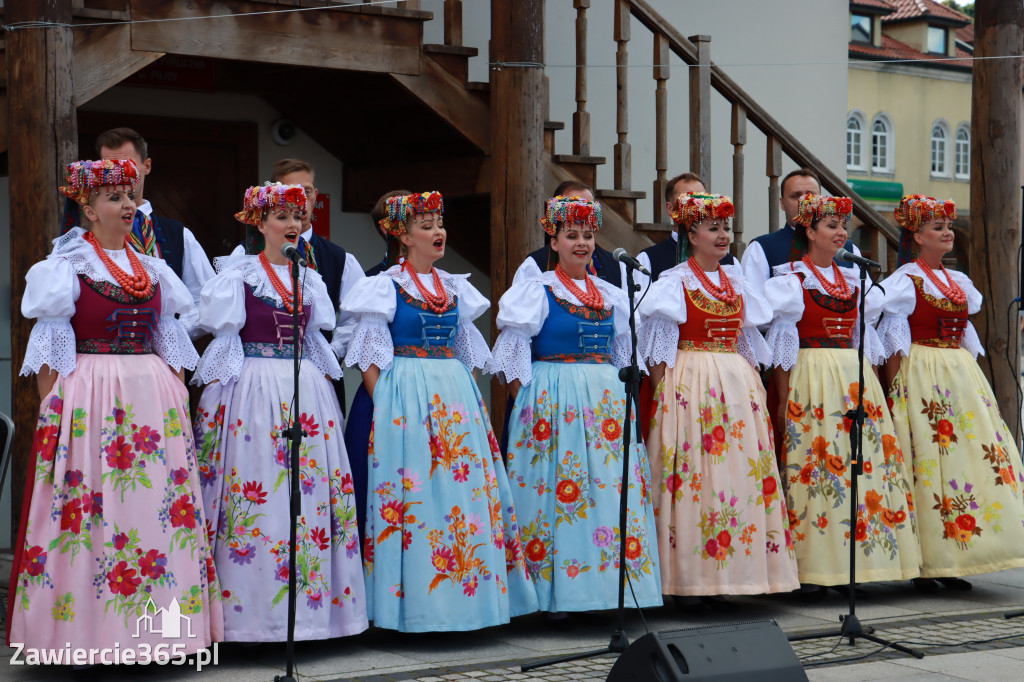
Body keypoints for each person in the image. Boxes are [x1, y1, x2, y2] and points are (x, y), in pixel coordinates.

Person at [7, 159, 222, 659]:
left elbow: (171, 343)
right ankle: (85, 637)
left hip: (152, 403)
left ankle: (158, 637)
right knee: (94, 515)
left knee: (152, 513)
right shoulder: (63, 268)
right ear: (88, 208)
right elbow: (50, 350)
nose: (128, 206)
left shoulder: (152, 268)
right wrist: (53, 410)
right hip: (92, 399)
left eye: (130, 196)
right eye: (114, 198)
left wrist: (175, 401)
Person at [341, 191, 537, 632]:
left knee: (458, 498)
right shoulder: (384, 287)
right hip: (406, 398)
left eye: (439, 224)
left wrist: (465, 403)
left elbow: (465, 355)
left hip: (453, 400)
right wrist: (390, 406)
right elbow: (370, 359)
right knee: (413, 499)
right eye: (426, 226)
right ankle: (411, 609)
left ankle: (465, 602)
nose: (438, 232)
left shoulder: (455, 288)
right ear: (403, 236)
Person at [192, 183, 367, 641]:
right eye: (282, 217)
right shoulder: (237, 275)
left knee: (305, 498)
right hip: (251, 390)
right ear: (259, 224)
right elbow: (221, 339)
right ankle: (249, 619)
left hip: (304, 390)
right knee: (257, 497)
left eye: (297, 216)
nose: (292, 225)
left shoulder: (307, 278)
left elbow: (317, 337)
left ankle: (308, 617)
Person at [490, 195, 662, 620]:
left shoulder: (610, 294)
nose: (582, 244)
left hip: (604, 403)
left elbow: (625, 356)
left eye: (587, 236)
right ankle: (553, 597)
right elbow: (512, 357)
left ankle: (604, 591)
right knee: (556, 493)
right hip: (552, 400)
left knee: (604, 492)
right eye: (572, 236)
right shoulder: (535, 291)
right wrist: (528, 405)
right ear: (553, 240)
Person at [638, 193, 798, 606]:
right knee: (695, 481)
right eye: (713, 228)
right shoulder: (674, 284)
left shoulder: (738, 284)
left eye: (726, 228)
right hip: (690, 387)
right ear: (690, 234)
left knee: (733, 478)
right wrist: (668, 400)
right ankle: (690, 580)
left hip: (734, 390)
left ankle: (729, 575)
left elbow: (748, 345)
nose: (723, 235)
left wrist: (752, 393)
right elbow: (657, 355)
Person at [763, 193, 919, 594]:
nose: (840, 233)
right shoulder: (788, 281)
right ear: (809, 231)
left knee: (859, 467)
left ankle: (859, 562)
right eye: (831, 226)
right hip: (811, 377)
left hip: (852, 377)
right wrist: (781, 402)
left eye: (842, 226)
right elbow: (782, 352)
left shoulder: (854, 278)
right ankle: (816, 567)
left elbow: (860, 337)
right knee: (815, 469)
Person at [878, 194, 1024, 592]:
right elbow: (894, 343)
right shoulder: (904, 282)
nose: (946, 233)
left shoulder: (957, 282)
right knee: (928, 464)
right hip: (922, 372)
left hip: (957, 375)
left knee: (962, 461)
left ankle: (954, 556)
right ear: (917, 236)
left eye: (947, 227)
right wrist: (896, 393)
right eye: (937, 227)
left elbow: (968, 339)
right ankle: (928, 562)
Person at [97, 128, 216, 335]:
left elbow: (207, 300)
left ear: (147, 166)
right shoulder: (85, 237)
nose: (120, 174)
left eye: (128, 165)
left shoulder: (178, 235)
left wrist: (172, 333)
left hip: (163, 361)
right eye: (110, 167)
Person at [344, 188, 412, 542]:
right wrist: (387, 403)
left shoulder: (445, 286)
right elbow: (365, 354)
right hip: (386, 399)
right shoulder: (374, 284)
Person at [740, 169, 861, 292]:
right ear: (782, 203)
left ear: (822, 200)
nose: (804, 202)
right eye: (795, 196)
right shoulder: (761, 248)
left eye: (811, 196)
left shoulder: (849, 250)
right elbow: (753, 302)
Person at [512, 181, 626, 288]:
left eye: (588, 207)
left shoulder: (617, 265)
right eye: (574, 206)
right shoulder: (534, 265)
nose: (581, 213)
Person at [634, 173, 736, 288]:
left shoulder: (730, 262)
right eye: (688, 200)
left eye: (702, 199)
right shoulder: (649, 259)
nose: (697, 207)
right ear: (670, 208)